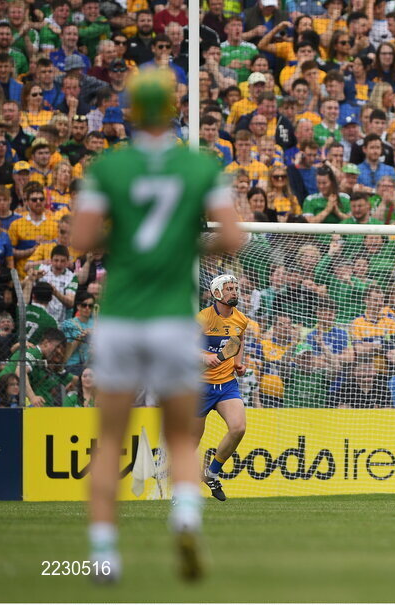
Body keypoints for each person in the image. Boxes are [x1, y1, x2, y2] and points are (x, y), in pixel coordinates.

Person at [71, 70, 242, 582]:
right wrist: (183, 244)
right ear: (172, 109)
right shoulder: (197, 165)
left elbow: (80, 239)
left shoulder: (111, 167)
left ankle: (103, 553)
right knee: (181, 436)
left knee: (110, 436)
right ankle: (186, 517)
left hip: (122, 314)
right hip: (171, 316)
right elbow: (232, 237)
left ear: (127, 112)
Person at [195, 274, 250, 502]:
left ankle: (212, 472)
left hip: (226, 383)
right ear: (217, 293)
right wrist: (205, 357)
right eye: (228, 289)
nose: (234, 292)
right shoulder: (202, 318)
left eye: (235, 288)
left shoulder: (241, 319)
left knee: (238, 428)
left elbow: (239, 341)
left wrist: (238, 363)